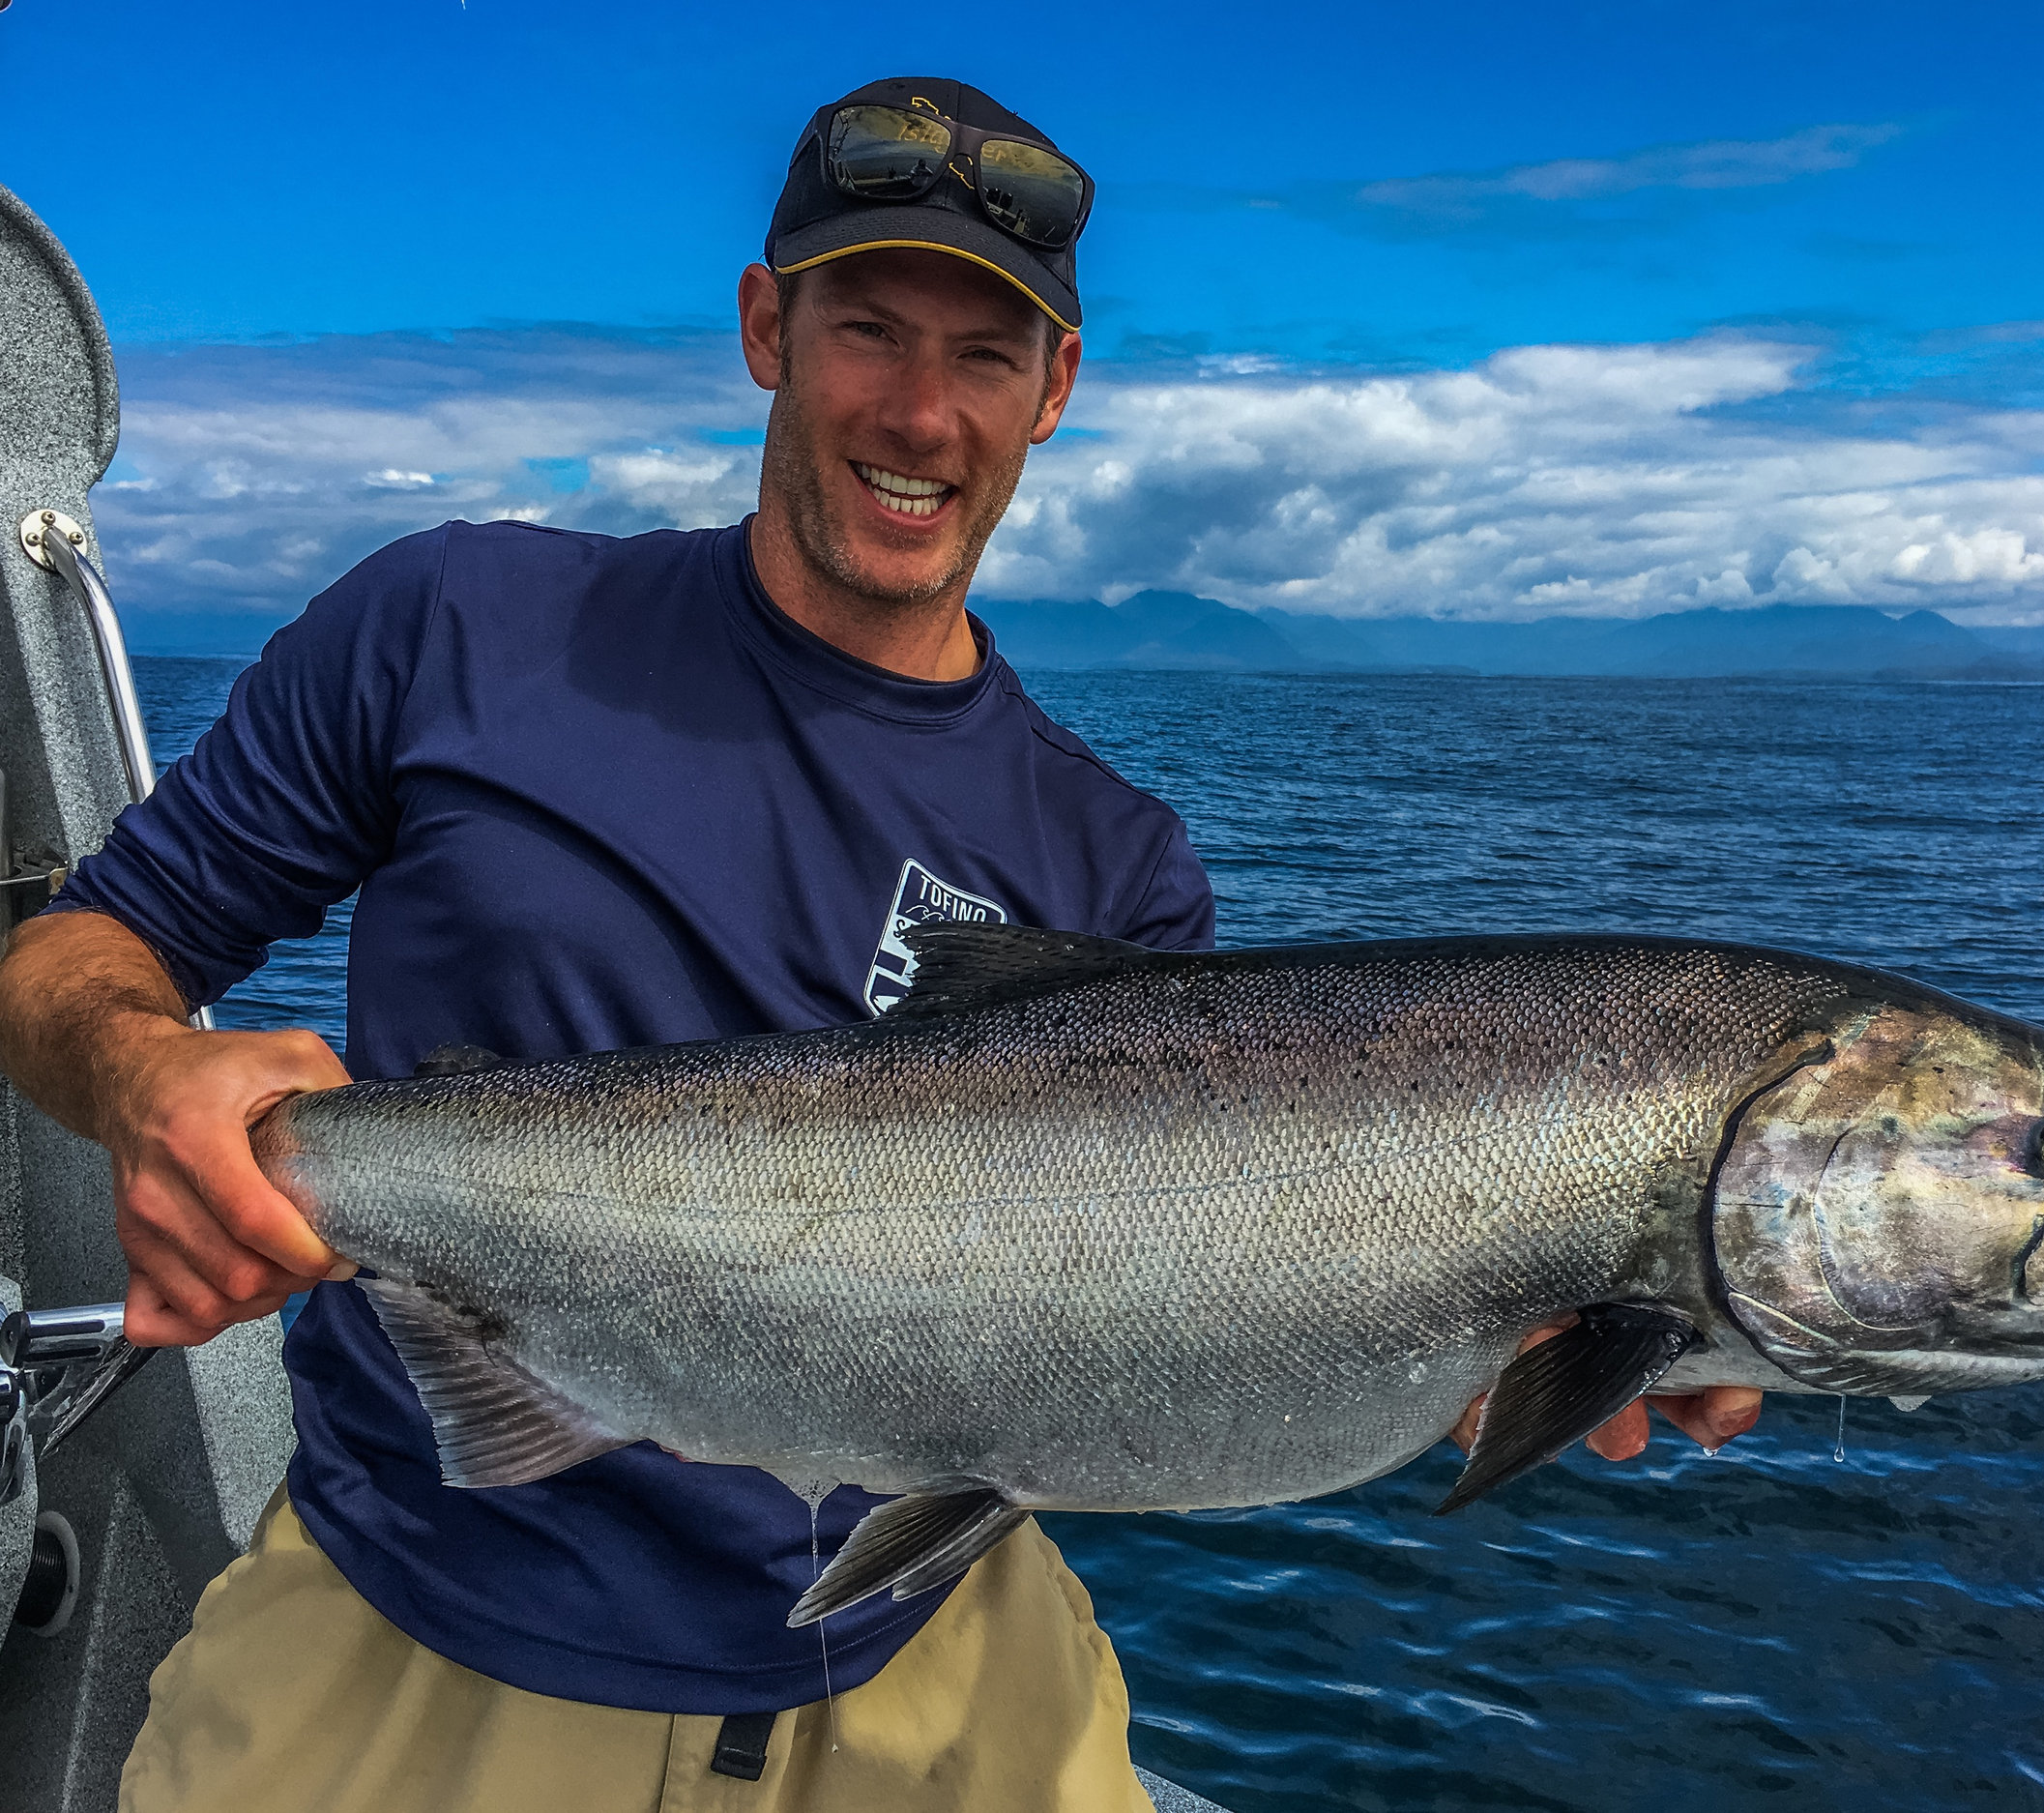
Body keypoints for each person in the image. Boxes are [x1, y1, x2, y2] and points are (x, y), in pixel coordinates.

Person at [0, 75, 1762, 1813]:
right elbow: (82, 954)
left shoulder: (1116, 861)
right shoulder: (458, 625)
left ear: (1054, 390)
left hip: (927, 1648)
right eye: (870, 329)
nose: (922, 411)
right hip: (424, 1631)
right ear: (769, 327)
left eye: (986, 354)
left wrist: (1508, 1355)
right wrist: (146, 1070)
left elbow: (1166, 1315)